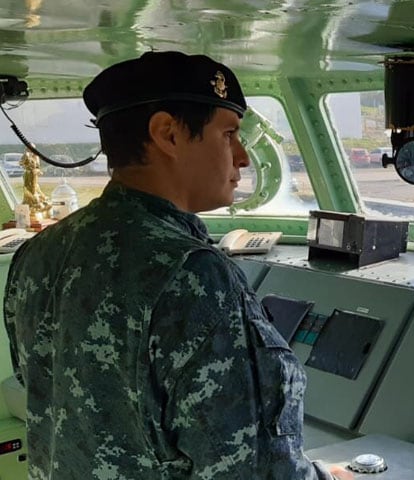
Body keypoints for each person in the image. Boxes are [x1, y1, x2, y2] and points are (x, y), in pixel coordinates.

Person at [3, 51, 353, 480]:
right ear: (167, 134)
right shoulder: (193, 275)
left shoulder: (38, 253)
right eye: (228, 134)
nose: (242, 157)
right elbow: (251, 470)